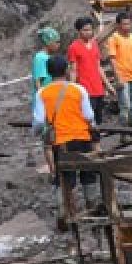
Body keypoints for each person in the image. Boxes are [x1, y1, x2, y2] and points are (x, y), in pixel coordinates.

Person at [33, 55, 98, 222]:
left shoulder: (43, 93)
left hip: (61, 143)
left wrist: (38, 132)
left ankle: (65, 212)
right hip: (83, 139)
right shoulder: (79, 89)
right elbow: (89, 116)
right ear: (67, 70)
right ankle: (93, 207)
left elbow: (39, 121)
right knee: (88, 174)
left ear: (48, 72)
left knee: (64, 178)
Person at [66, 16, 113, 131]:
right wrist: (71, 89)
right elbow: (73, 70)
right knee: (88, 118)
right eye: (85, 30)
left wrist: (108, 85)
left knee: (98, 117)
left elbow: (99, 67)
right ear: (78, 31)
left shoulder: (95, 45)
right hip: (84, 89)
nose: (88, 33)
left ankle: (96, 143)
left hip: (98, 87)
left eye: (90, 30)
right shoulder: (73, 47)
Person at [106, 12, 132, 126]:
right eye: (125, 24)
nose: (128, 26)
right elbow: (112, 59)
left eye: (129, 24)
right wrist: (117, 78)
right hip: (122, 77)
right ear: (118, 25)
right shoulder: (114, 39)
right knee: (125, 106)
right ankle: (124, 134)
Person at [31, 26, 61, 100]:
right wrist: (42, 101)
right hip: (45, 101)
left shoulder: (48, 57)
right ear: (48, 42)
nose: (59, 45)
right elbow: (38, 83)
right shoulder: (40, 58)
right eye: (56, 42)